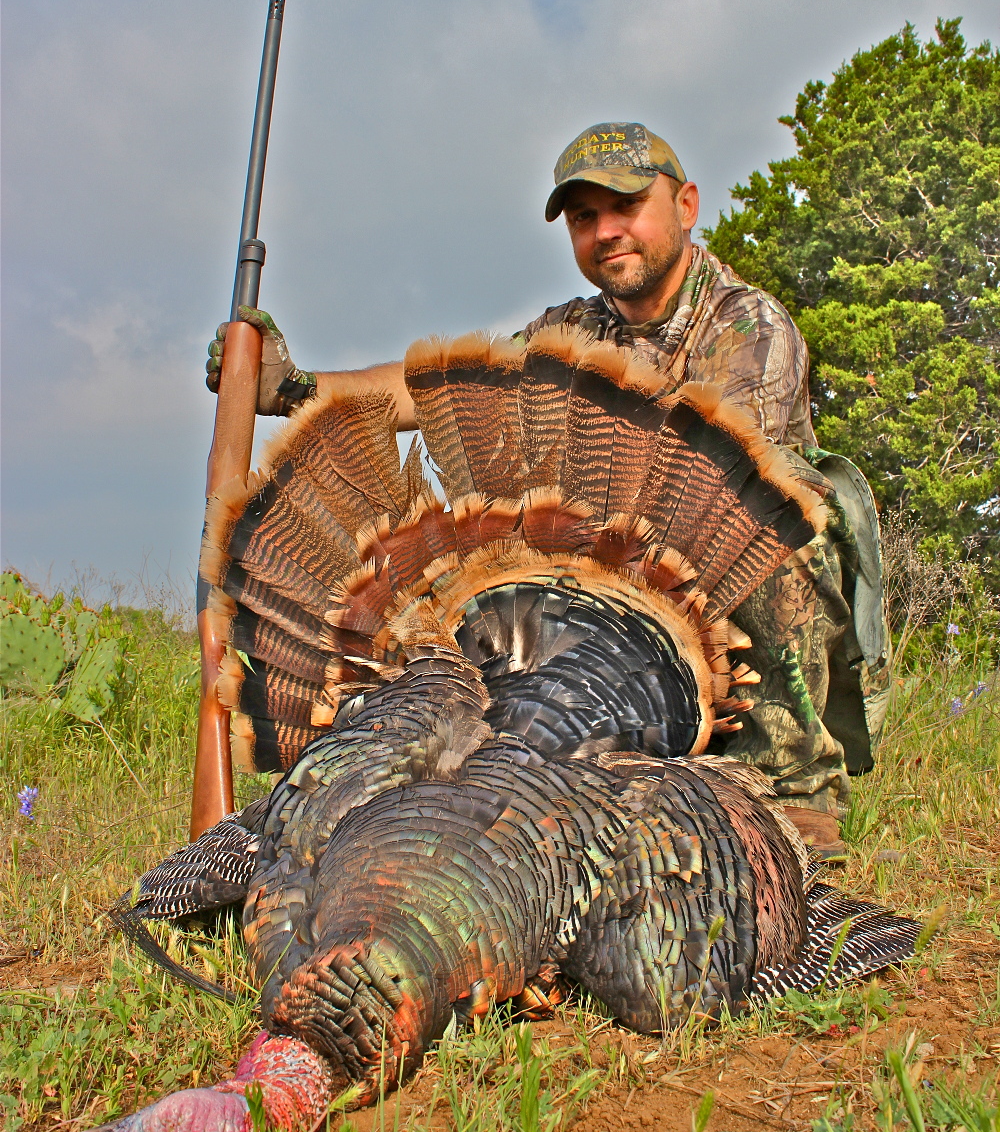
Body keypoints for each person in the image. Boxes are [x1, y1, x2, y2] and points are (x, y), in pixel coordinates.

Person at [207, 123, 890, 854]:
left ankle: (790, 795)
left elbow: (713, 511)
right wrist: (292, 386)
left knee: (779, 528)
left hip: (718, 623)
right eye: (585, 217)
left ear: (686, 205)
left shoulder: (747, 325)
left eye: (626, 206)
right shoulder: (570, 328)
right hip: (618, 624)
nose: (606, 232)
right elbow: (415, 396)